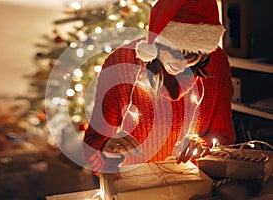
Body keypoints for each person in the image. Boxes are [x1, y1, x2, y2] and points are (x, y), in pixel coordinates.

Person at [83, 0, 236, 172]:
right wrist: (106, 151)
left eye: (192, 54)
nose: (179, 62)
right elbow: (93, 146)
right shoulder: (120, 64)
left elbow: (224, 138)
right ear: (155, 43)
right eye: (172, 50)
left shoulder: (216, 62)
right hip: (136, 183)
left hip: (193, 180)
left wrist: (204, 147)